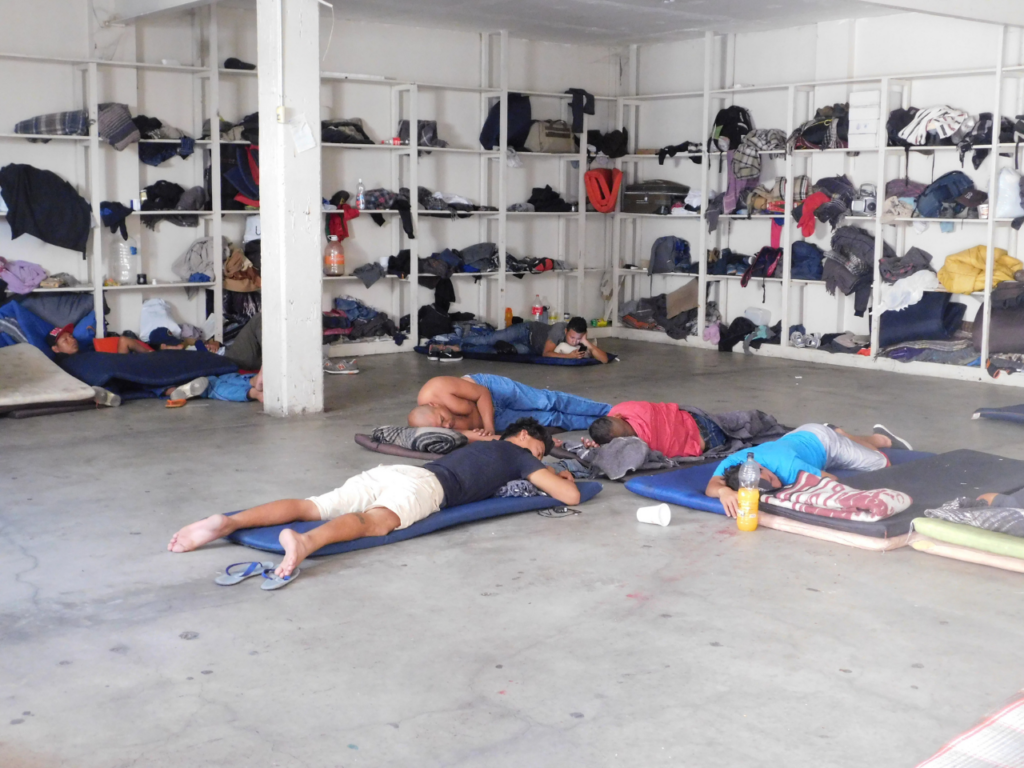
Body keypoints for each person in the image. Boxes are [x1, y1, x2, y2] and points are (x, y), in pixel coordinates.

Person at [168, 418, 580, 580]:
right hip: (427, 488)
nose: (536, 462)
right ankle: (305, 543)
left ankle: (229, 521)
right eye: (539, 452)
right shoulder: (519, 453)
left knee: (314, 505)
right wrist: (554, 474)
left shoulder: (474, 445)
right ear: (526, 437)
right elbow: (572, 495)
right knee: (374, 522)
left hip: (397, 473)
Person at [705, 423, 912, 517]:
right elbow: (713, 486)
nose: (774, 484)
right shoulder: (735, 463)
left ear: (759, 466)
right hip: (797, 437)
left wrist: (796, 488)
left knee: (881, 463)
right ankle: (842, 433)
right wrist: (724, 491)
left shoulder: (789, 467)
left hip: (824, 442)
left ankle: (850, 436)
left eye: (768, 477)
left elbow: (830, 479)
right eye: (764, 486)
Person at [409, 374, 611, 436]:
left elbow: (481, 394)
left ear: (434, 404)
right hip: (495, 419)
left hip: (491, 391)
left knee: (547, 401)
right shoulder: (436, 431)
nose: (447, 426)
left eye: (443, 419)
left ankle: (610, 411)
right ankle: (606, 423)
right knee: (551, 418)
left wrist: (488, 427)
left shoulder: (436, 388)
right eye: (441, 427)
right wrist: (493, 433)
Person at [222, 311, 359, 375]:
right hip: (241, 359)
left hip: (248, 357)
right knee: (262, 319)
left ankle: (319, 361)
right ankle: (320, 362)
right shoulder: (262, 318)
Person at [429, 316, 609, 363]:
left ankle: (459, 350)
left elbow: (604, 359)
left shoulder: (581, 341)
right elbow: (547, 353)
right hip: (526, 332)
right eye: (572, 337)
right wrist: (570, 357)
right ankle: (446, 343)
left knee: (497, 352)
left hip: (530, 349)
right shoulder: (558, 328)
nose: (574, 342)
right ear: (567, 330)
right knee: (490, 339)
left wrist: (586, 343)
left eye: (578, 338)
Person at [587, 401, 729, 458]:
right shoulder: (621, 409)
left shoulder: (639, 449)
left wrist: (601, 446)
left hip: (709, 442)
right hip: (698, 418)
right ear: (617, 416)